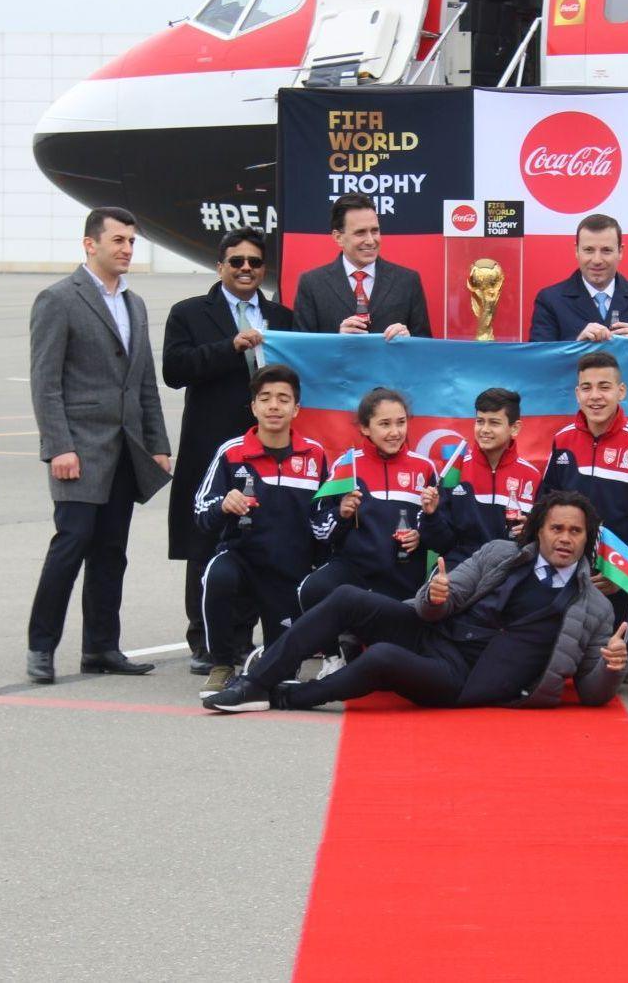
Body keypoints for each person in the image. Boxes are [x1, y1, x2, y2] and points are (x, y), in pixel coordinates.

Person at [202, 491, 628, 713]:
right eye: (557, 528)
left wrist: (611, 667)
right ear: (539, 530)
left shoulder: (595, 607)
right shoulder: (500, 553)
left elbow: (592, 693)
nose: (565, 539)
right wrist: (436, 596)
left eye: (575, 532)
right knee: (347, 597)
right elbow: (435, 604)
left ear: (587, 539)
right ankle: (256, 684)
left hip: (465, 678)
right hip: (432, 631)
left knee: (382, 658)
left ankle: (285, 699)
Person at [26, 207, 173, 684]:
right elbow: (45, 382)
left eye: (131, 241)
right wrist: (58, 447)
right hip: (80, 451)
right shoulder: (58, 300)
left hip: (126, 452)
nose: (127, 249)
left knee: (112, 552)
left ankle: (101, 648)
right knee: (70, 547)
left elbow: (144, 381)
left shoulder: (135, 304)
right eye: (118, 240)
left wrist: (157, 442)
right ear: (90, 244)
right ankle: (41, 647)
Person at [163, 226, 292, 675]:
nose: (245, 269)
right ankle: (203, 640)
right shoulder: (189, 313)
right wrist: (229, 346)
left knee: (261, 537)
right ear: (220, 266)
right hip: (210, 446)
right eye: (236, 261)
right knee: (206, 538)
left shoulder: (283, 316)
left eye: (254, 262)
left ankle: (242, 638)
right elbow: (174, 370)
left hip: (267, 448)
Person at [193, 365, 329, 698]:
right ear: (253, 406)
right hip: (241, 558)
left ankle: (272, 660)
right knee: (217, 575)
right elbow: (200, 511)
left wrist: (342, 515)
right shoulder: (231, 452)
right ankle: (222, 665)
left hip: (289, 571)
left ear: (296, 409)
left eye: (283, 399)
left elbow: (325, 521)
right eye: (265, 398)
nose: (273, 406)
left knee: (280, 679)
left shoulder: (316, 455)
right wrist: (224, 504)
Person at [540, 351, 628, 678]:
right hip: (567, 564)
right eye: (586, 387)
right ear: (577, 393)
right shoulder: (563, 440)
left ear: (621, 392)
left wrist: (622, 572)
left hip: (616, 572)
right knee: (552, 660)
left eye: (604, 387)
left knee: (606, 672)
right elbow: (543, 506)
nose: (595, 396)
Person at [300, 389, 440, 612]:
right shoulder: (347, 465)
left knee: (386, 643)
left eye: (401, 422)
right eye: (385, 424)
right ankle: (333, 648)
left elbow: (440, 532)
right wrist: (341, 514)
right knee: (312, 589)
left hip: (403, 575)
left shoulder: (425, 467)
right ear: (365, 428)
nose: (395, 432)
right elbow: (319, 529)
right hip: (353, 571)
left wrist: (421, 536)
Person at [422, 387, 542, 570]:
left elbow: (542, 543)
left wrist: (531, 533)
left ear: (515, 428)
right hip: (461, 569)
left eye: (494, 423)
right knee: (434, 594)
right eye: (480, 421)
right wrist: (431, 516)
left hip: (510, 572)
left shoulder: (532, 477)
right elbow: (440, 543)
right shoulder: (455, 470)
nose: (484, 430)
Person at [292, 194, 431, 338]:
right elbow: (302, 349)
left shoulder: (407, 281)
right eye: (360, 233)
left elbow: (425, 346)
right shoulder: (312, 284)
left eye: (375, 231)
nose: (371, 240)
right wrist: (337, 340)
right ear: (338, 237)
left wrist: (409, 342)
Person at [529, 213, 628, 347]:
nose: (597, 260)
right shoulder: (550, 300)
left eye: (606, 250)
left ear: (620, 252)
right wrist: (577, 346)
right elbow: (540, 361)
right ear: (576, 250)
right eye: (589, 250)